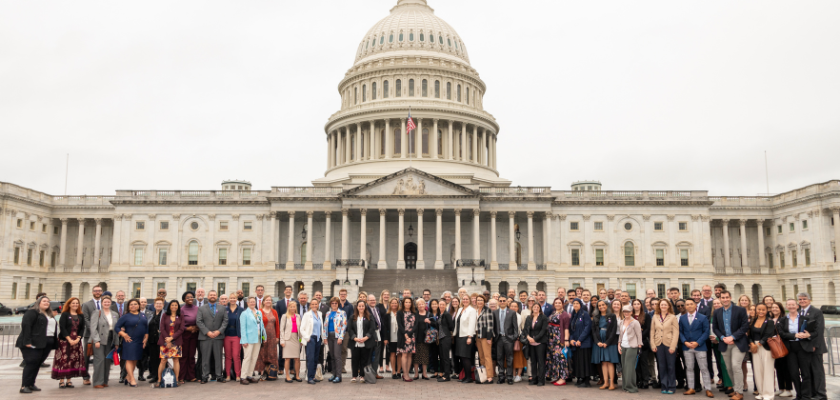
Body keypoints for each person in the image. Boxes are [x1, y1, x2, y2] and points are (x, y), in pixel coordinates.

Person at [712, 291, 749, 400]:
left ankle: (739, 392)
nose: (725, 299)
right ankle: (735, 388)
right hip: (724, 343)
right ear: (720, 299)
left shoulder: (740, 310)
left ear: (730, 297)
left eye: (727, 297)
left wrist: (733, 337)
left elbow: (744, 326)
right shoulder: (717, 312)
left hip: (738, 343)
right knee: (728, 368)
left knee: (735, 366)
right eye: (723, 298)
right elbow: (715, 328)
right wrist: (723, 338)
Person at [17, 296, 59, 394]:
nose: (47, 303)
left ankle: (31, 384)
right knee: (31, 363)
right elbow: (26, 326)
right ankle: (24, 386)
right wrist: (27, 341)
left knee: (37, 364)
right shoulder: (32, 312)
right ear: (38, 302)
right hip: (33, 342)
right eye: (44, 301)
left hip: (45, 343)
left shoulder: (48, 314)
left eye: (48, 301)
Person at [679, 298, 713, 397]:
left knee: (704, 368)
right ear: (685, 306)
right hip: (687, 347)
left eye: (691, 304)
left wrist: (697, 343)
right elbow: (680, 332)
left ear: (695, 306)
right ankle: (691, 388)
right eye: (687, 304)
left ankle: (708, 389)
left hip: (700, 347)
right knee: (689, 368)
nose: (689, 306)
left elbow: (706, 332)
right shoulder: (682, 318)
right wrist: (685, 342)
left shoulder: (702, 317)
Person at [52, 297, 86, 388]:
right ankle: (62, 380)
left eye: (77, 303)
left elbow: (82, 328)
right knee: (64, 360)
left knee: (73, 360)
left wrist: (78, 338)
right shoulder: (65, 314)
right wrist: (69, 339)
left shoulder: (80, 315)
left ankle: (69, 380)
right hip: (65, 341)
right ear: (69, 304)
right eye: (73, 303)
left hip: (76, 341)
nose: (75, 305)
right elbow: (62, 327)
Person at [114, 299, 149, 387]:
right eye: (131, 304)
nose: (133, 306)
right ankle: (132, 379)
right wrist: (124, 334)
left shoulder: (143, 315)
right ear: (128, 307)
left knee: (135, 359)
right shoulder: (125, 316)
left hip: (140, 341)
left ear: (138, 305)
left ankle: (128, 377)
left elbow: (146, 328)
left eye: (135, 304)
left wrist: (146, 338)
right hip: (129, 341)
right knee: (129, 359)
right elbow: (117, 327)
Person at [196, 290, 228, 383]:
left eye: (214, 295)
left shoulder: (222, 308)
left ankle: (219, 376)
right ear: (208, 296)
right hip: (205, 337)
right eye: (211, 295)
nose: (213, 296)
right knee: (205, 358)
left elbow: (225, 321)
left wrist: (219, 331)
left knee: (218, 357)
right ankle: (205, 376)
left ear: (217, 296)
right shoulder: (201, 308)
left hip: (218, 337)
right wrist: (207, 332)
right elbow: (199, 321)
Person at [652, 298, 679, 394]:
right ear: (659, 306)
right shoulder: (655, 316)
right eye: (661, 304)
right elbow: (652, 331)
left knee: (671, 366)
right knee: (661, 366)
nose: (663, 306)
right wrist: (653, 344)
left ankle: (671, 386)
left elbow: (676, 332)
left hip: (669, 344)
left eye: (665, 305)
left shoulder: (672, 317)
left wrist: (673, 346)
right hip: (658, 344)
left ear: (668, 306)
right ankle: (664, 385)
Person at [749, 303, 776, 400]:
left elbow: (768, 334)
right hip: (754, 347)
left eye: (763, 310)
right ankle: (761, 392)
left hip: (765, 347)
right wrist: (752, 344)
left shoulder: (769, 321)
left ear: (767, 310)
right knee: (758, 370)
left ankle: (768, 394)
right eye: (759, 309)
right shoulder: (753, 320)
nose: (761, 311)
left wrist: (758, 344)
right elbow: (750, 334)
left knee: (767, 370)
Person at [346, 300, 376, 382]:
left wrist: (366, 337)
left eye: (363, 306)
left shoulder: (369, 316)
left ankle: (362, 376)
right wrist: (354, 338)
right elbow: (350, 329)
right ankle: (354, 376)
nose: (361, 307)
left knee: (364, 360)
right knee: (355, 359)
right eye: (359, 306)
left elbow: (372, 328)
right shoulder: (352, 317)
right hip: (355, 342)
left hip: (365, 341)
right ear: (357, 307)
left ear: (365, 307)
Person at [592, 299, 618, 390]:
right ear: (597, 307)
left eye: (603, 305)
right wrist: (597, 342)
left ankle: (612, 383)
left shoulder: (612, 316)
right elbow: (594, 331)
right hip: (600, 342)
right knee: (603, 362)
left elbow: (613, 331)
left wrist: (607, 342)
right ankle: (605, 382)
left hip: (610, 342)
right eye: (599, 305)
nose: (601, 306)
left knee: (610, 362)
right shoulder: (596, 317)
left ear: (606, 306)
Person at [81, 285, 104, 386]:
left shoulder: (106, 303)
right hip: (89, 335)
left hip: (103, 335)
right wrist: (94, 331)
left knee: (100, 357)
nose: (97, 292)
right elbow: (85, 318)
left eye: (99, 291)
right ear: (92, 292)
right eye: (96, 291)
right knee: (87, 356)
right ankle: (85, 377)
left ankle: (99, 377)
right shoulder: (86, 305)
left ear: (102, 292)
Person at [157, 299, 184, 386]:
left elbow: (181, 329)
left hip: (176, 341)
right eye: (172, 305)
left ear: (178, 307)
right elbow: (162, 328)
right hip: (165, 341)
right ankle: (159, 380)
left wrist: (172, 338)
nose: (174, 307)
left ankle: (176, 379)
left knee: (176, 360)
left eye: (176, 305)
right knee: (163, 360)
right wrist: (167, 339)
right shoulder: (165, 315)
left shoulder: (181, 316)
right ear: (169, 306)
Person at [769, 301, 793, 397]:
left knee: (785, 368)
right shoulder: (769, 319)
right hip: (774, 346)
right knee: (778, 367)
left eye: (777, 307)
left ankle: (788, 389)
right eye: (773, 307)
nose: (774, 309)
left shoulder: (784, 319)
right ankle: (781, 388)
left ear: (780, 309)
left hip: (783, 345)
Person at [545, 297, 570, 386]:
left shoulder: (564, 314)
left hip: (559, 339)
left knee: (561, 359)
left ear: (562, 304)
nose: (558, 304)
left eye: (559, 303)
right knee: (554, 359)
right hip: (551, 339)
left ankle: (563, 378)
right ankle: (558, 376)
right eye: (556, 303)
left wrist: (566, 339)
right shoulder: (554, 313)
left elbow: (566, 328)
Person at [239, 297, 265, 385]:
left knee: (254, 357)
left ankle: (249, 375)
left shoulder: (259, 312)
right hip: (249, 338)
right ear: (247, 303)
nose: (252, 303)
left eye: (253, 302)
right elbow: (242, 328)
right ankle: (243, 377)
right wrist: (244, 340)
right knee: (247, 357)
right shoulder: (244, 313)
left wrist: (264, 337)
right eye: (250, 302)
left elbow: (262, 325)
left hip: (258, 337)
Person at [300, 299, 326, 384]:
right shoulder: (307, 315)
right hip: (311, 339)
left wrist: (323, 337)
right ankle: (309, 377)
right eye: (313, 304)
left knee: (315, 358)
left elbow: (321, 327)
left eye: (316, 304)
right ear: (310, 305)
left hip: (318, 339)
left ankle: (313, 376)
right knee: (310, 358)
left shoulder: (320, 314)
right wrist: (307, 338)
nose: (314, 305)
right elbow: (302, 329)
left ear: (318, 305)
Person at [618, 305, 643, 393]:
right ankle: (625, 386)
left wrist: (639, 345)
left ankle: (631, 387)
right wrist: (619, 345)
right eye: (625, 311)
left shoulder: (635, 322)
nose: (626, 313)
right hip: (623, 346)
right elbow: (620, 335)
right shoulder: (621, 322)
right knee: (624, 366)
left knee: (629, 367)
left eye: (628, 311)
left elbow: (639, 334)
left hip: (632, 346)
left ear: (631, 312)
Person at [522, 301, 547, 386]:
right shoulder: (529, 317)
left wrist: (535, 339)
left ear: (540, 308)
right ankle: (534, 378)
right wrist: (528, 337)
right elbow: (525, 329)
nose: (536, 308)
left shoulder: (543, 317)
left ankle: (541, 380)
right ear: (532, 308)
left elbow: (543, 330)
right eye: (534, 307)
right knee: (533, 361)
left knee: (540, 362)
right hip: (530, 342)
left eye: (537, 307)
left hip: (540, 342)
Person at [322, 297, 346, 383]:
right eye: (333, 303)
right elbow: (325, 326)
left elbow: (344, 326)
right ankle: (334, 374)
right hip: (329, 336)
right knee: (332, 356)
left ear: (338, 304)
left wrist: (341, 337)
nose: (334, 305)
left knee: (337, 356)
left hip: (337, 336)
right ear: (330, 304)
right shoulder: (328, 313)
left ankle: (339, 376)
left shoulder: (342, 313)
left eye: (336, 303)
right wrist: (324, 337)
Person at [472, 295, 495, 384]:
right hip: (478, 335)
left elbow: (490, 325)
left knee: (487, 356)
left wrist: (489, 337)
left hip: (486, 336)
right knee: (481, 357)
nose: (479, 302)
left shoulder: (487, 310)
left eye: (481, 300)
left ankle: (490, 377)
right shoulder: (476, 311)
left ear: (484, 301)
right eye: (478, 300)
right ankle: (484, 376)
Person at [279, 300, 302, 382]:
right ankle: (287, 376)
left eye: (294, 306)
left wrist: (301, 340)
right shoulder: (284, 316)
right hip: (287, 339)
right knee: (287, 358)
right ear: (288, 307)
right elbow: (281, 330)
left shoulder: (298, 316)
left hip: (296, 338)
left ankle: (297, 375)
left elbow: (300, 330)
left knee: (297, 358)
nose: (292, 308)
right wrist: (282, 340)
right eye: (291, 306)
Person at [179, 291, 200, 383]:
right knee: (184, 356)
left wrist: (196, 327)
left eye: (191, 297)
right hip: (185, 334)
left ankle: (191, 375)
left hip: (195, 334)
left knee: (192, 355)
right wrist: (187, 329)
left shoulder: (197, 308)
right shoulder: (181, 309)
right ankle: (181, 376)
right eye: (187, 297)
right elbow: (178, 324)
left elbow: (201, 320)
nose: (190, 299)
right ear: (184, 299)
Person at [397, 296, 418, 382]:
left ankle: (408, 373)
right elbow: (400, 325)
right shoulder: (400, 312)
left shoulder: (414, 312)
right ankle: (404, 374)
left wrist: (409, 335)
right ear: (403, 303)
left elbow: (416, 325)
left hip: (412, 336)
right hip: (403, 336)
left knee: (410, 354)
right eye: (406, 302)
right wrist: (406, 336)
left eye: (409, 302)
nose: (408, 304)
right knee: (404, 354)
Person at [223, 293, 243, 382]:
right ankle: (227, 375)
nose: (232, 299)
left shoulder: (241, 310)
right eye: (231, 298)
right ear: (228, 299)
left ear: (236, 299)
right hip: (227, 335)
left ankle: (238, 375)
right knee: (228, 356)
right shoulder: (224, 309)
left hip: (237, 335)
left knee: (236, 356)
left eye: (234, 298)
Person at [144, 297, 164, 384]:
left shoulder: (165, 314)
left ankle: (161, 376)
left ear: (163, 305)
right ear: (154, 305)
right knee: (153, 359)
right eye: (157, 303)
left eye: (160, 303)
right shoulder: (150, 314)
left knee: (162, 359)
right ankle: (154, 375)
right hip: (152, 340)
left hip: (161, 339)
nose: (158, 305)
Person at [436, 296, 456, 382]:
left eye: (443, 304)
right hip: (440, 338)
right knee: (442, 356)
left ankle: (447, 376)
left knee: (446, 357)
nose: (441, 306)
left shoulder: (447, 314)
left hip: (446, 337)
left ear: (445, 305)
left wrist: (447, 332)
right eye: (440, 304)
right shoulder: (439, 314)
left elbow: (451, 326)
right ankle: (444, 373)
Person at [412, 299, 432, 380]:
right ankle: (416, 374)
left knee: (425, 356)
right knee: (416, 356)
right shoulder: (415, 314)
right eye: (419, 304)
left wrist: (430, 322)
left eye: (422, 304)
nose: (421, 306)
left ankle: (424, 373)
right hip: (416, 338)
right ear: (417, 306)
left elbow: (434, 324)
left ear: (425, 305)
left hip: (426, 338)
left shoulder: (429, 314)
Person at [386, 298, 402, 378]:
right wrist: (385, 338)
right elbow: (385, 328)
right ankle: (394, 372)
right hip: (391, 337)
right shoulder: (387, 315)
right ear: (390, 304)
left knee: (399, 354)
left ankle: (399, 371)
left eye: (395, 303)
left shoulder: (400, 313)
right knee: (392, 354)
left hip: (400, 337)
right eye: (392, 303)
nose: (394, 304)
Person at [426, 299, 441, 379]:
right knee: (433, 355)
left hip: (440, 336)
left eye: (436, 304)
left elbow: (438, 325)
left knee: (441, 354)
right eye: (432, 304)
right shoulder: (429, 314)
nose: (434, 305)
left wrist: (430, 322)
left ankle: (441, 372)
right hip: (431, 336)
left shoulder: (441, 313)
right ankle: (435, 372)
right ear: (430, 306)